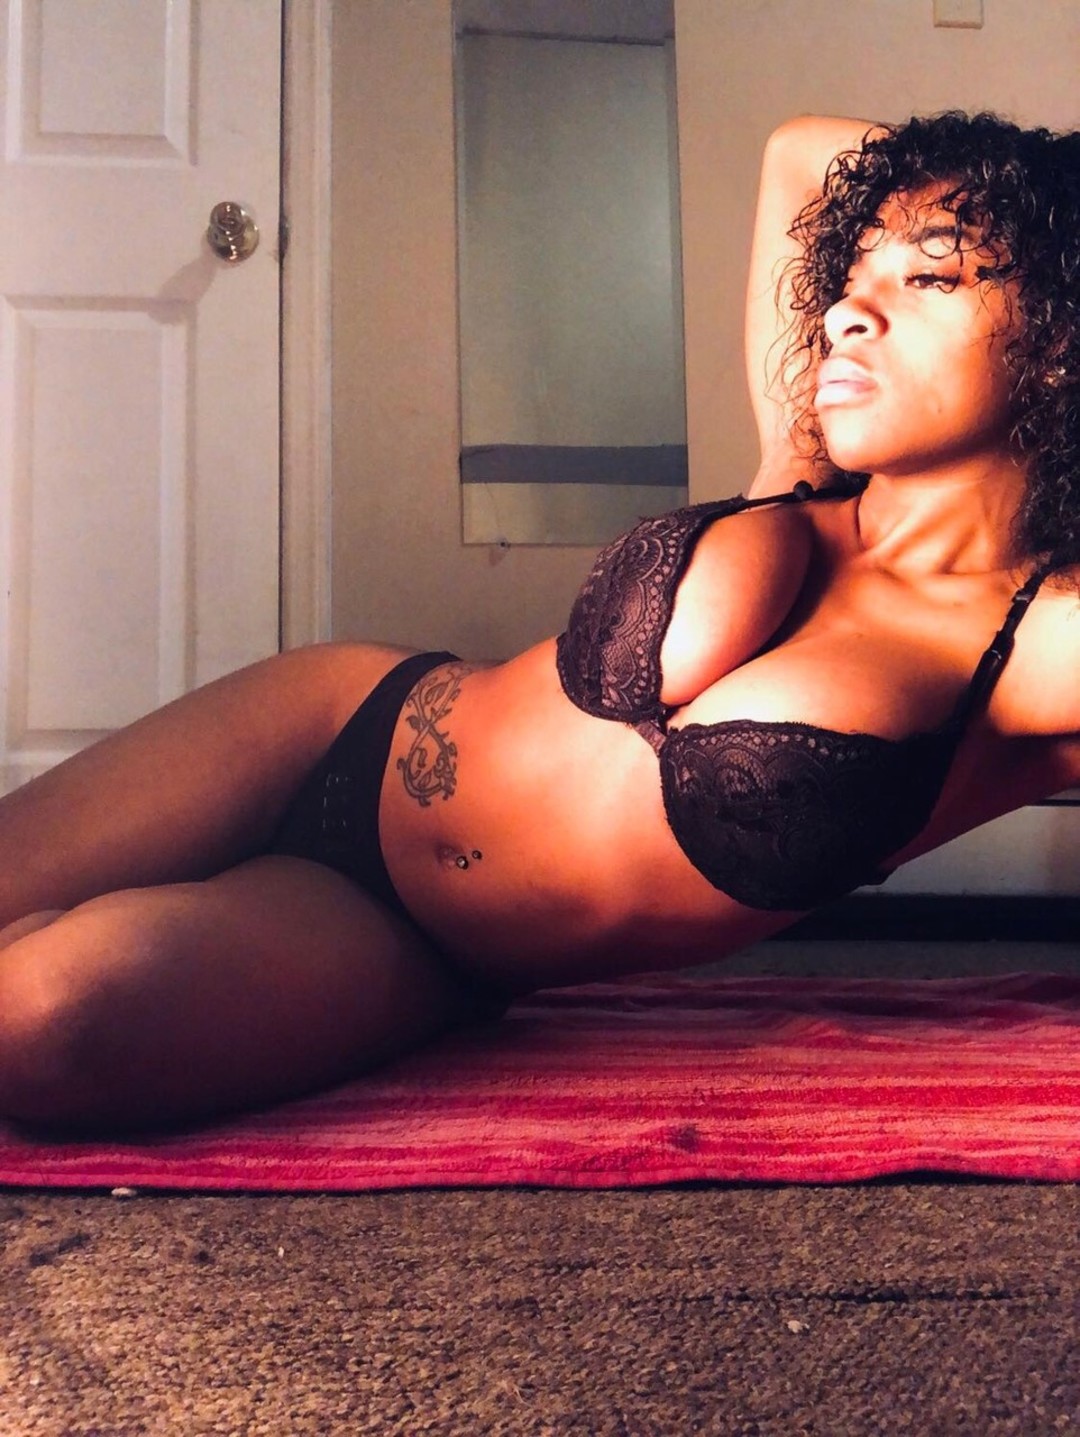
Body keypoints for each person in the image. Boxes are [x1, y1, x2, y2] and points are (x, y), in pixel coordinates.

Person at [1, 110, 1079, 1133]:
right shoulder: (799, 464)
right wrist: (1026, 201)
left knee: (44, 1024)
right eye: (850, 277)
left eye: (930, 276)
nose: (846, 313)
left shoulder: (1036, 645)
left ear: (1056, 340)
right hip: (334, 727)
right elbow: (804, 153)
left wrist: (1050, 222)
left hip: (414, 947)